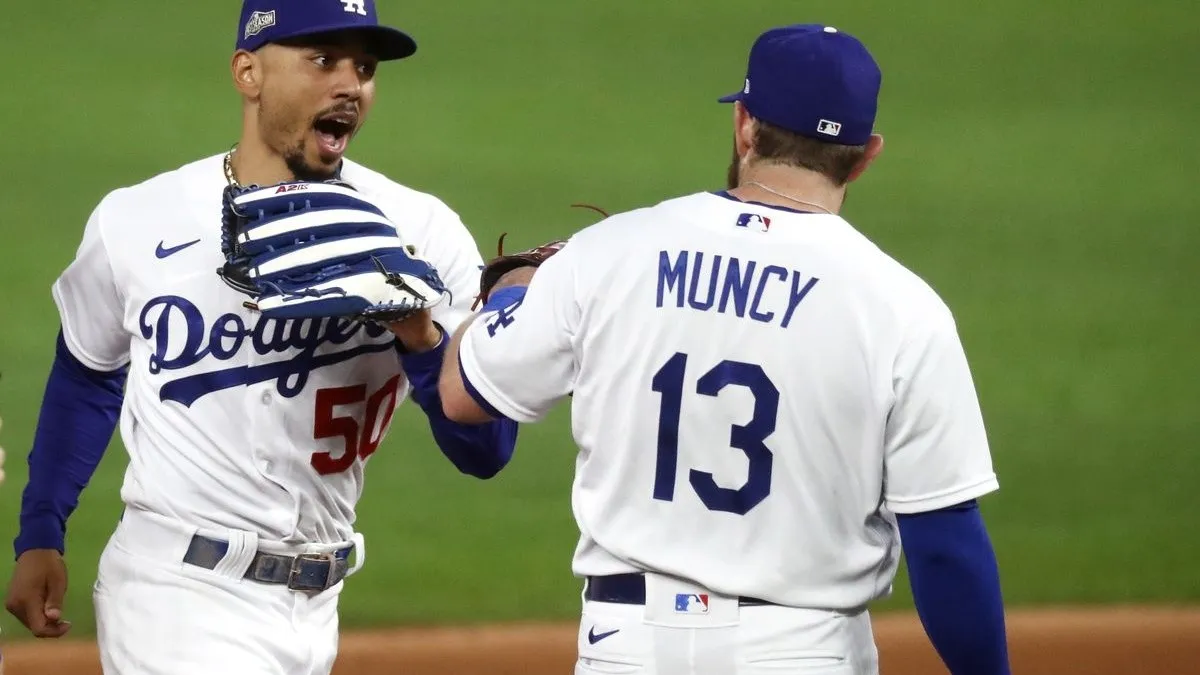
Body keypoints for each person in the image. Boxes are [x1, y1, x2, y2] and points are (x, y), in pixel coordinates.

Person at [438, 23, 1010, 675]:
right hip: (803, 653)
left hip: (626, 648)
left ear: (744, 124)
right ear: (865, 154)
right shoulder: (903, 309)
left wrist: (515, 292)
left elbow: (462, 395)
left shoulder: (610, 253)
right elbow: (945, 546)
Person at [3, 1, 517, 673]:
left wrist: (418, 336)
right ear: (248, 73)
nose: (349, 85)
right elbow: (90, 369)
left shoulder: (421, 230)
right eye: (321, 60)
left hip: (318, 606)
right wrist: (42, 528)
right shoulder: (137, 219)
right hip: (174, 595)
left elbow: (486, 450)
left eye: (363, 67)